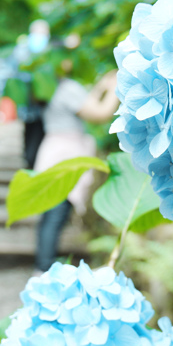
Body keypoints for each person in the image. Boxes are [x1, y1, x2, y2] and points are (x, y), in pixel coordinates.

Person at [34, 68, 120, 273]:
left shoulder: (49, 85)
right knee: (56, 214)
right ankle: (44, 269)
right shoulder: (67, 88)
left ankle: (42, 266)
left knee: (50, 213)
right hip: (66, 154)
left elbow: (86, 103)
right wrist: (117, 86)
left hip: (52, 149)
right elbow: (100, 114)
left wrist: (101, 88)